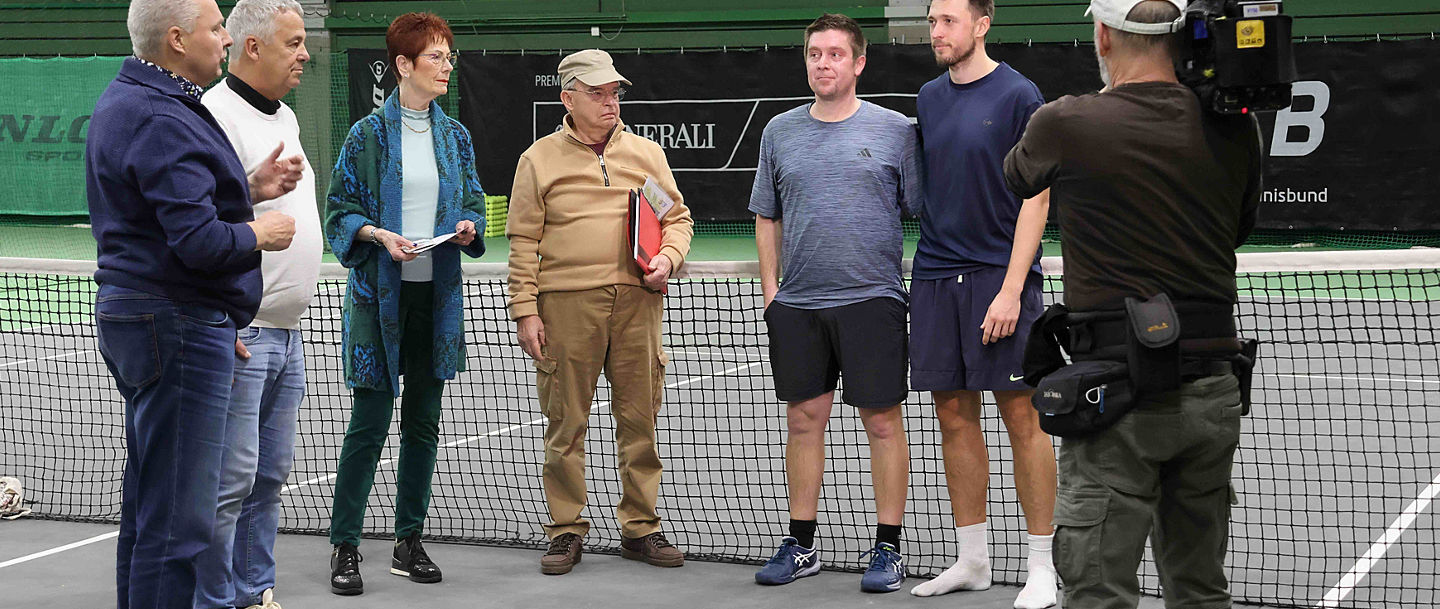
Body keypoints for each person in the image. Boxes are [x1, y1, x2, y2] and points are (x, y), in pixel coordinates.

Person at [1003, 1, 1263, 607]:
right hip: (1213, 389)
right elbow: (1239, 227)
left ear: (1103, 35)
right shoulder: (1236, 123)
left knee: (1098, 590)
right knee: (1200, 589)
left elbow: (1017, 177)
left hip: (1115, 400)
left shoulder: (1065, 122)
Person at [86, 0, 302, 607]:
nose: (226, 37)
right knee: (180, 524)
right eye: (215, 27)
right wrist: (261, 231)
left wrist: (247, 188)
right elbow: (199, 242)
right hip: (175, 324)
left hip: (158, 319)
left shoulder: (134, 100)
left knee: (152, 510)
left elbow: (163, 207)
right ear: (178, 40)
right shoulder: (161, 114)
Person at [750, 13, 923, 594]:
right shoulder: (779, 132)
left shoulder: (896, 130)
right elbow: (766, 214)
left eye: (835, 54)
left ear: (859, 62)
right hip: (798, 305)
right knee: (803, 421)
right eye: (814, 54)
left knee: (882, 422)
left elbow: (921, 209)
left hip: (873, 300)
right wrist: (772, 293)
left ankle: (888, 548)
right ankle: (801, 544)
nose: (823, 63)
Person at [507, 49, 694, 576]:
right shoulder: (537, 160)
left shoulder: (646, 155)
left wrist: (669, 258)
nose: (610, 101)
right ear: (568, 98)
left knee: (640, 420)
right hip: (565, 306)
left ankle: (641, 528)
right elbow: (523, 242)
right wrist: (525, 310)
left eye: (614, 92)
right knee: (566, 424)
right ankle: (566, 529)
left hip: (638, 304)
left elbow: (677, 219)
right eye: (597, 93)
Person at [323, 11, 487, 596]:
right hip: (378, 298)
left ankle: (408, 541)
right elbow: (339, 212)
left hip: (436, 297)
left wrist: (468, 224)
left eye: (448, 56)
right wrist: (378, 236)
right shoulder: (365, 136)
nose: (447, 66)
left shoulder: (455, 136)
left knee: (422, 423)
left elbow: (473, 199)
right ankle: (345, 546)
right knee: (369, 424)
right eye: (436, 57)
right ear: (403, 65)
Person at [907, 1, 1057, 606]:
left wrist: (1012, 289)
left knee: (1024, 419)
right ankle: (972, 560)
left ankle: (1043, 567)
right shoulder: (928, 97)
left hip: (1001, 277)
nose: (937, 32)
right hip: (935, 276)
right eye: (932, 21)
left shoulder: (1021, 95)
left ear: (982, 24)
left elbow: (1037, 199)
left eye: (949, 20)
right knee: (953, 417)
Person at [195, 0, 321, 607]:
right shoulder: (212, 116)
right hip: (239, 334)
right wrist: (221, 319)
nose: (305, 54)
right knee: (228, 484)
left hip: (286, 334)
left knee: (268, 477)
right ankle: (213, 598)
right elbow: (197, 224)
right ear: (253, 47)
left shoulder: (286, 115)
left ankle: (254, 591)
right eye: (294, 42)